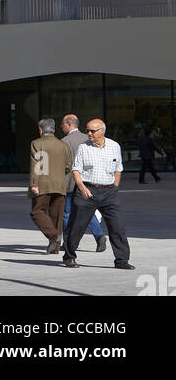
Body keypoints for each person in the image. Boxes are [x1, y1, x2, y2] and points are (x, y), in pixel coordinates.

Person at [63, 118, 133, 269]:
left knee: (117, 226)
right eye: (87, 130)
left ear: (102, 131)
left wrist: (114, 187)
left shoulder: (114, 146)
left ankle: (122, 260)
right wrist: (82, 187)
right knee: (76, 225)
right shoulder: (84, 147)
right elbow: (76, 170)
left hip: (109, 192)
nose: (88, 133)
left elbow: (118, 169)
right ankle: (69, 256)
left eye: (92, 131)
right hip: (87, 190)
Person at [61, 114, 107, 252]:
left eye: (62, 124)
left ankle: (67, 241)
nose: (61, 126)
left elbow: (63, 164)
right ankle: (99, 236)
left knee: (68, 213)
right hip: (87, 181)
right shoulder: (87, 138)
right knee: (88, 211)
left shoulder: (64, 141)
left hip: (70, 182)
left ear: (69, 125)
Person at [28, 118, 72, 253]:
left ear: (41, 130)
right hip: (59, 185)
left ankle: (53, 235)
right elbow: (68, 166)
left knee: (36, 212)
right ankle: (55, 247)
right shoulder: (63, 144)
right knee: (57, 216)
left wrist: (33, 184)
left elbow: (35, 165)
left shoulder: (36, 143)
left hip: (42, 184)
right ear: (53, 130)